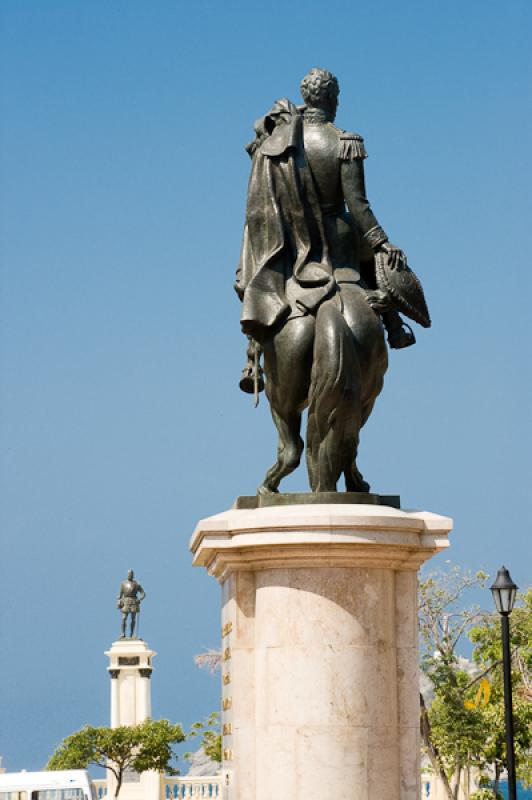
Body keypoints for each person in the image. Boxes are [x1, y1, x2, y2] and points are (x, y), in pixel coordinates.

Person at [117, 569, 146, 639]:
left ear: (133, 575)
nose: (129, 575)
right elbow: (120, 595)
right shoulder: (123, 583)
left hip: (133, 601)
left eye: (131, 574)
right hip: (125, 601)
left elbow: (143, 593)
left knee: (133, 619)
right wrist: (119, 601)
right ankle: (123, 633)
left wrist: (139, 599)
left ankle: (131, 634)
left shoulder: (136, 584)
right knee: (124, 618)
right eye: (129, 574)